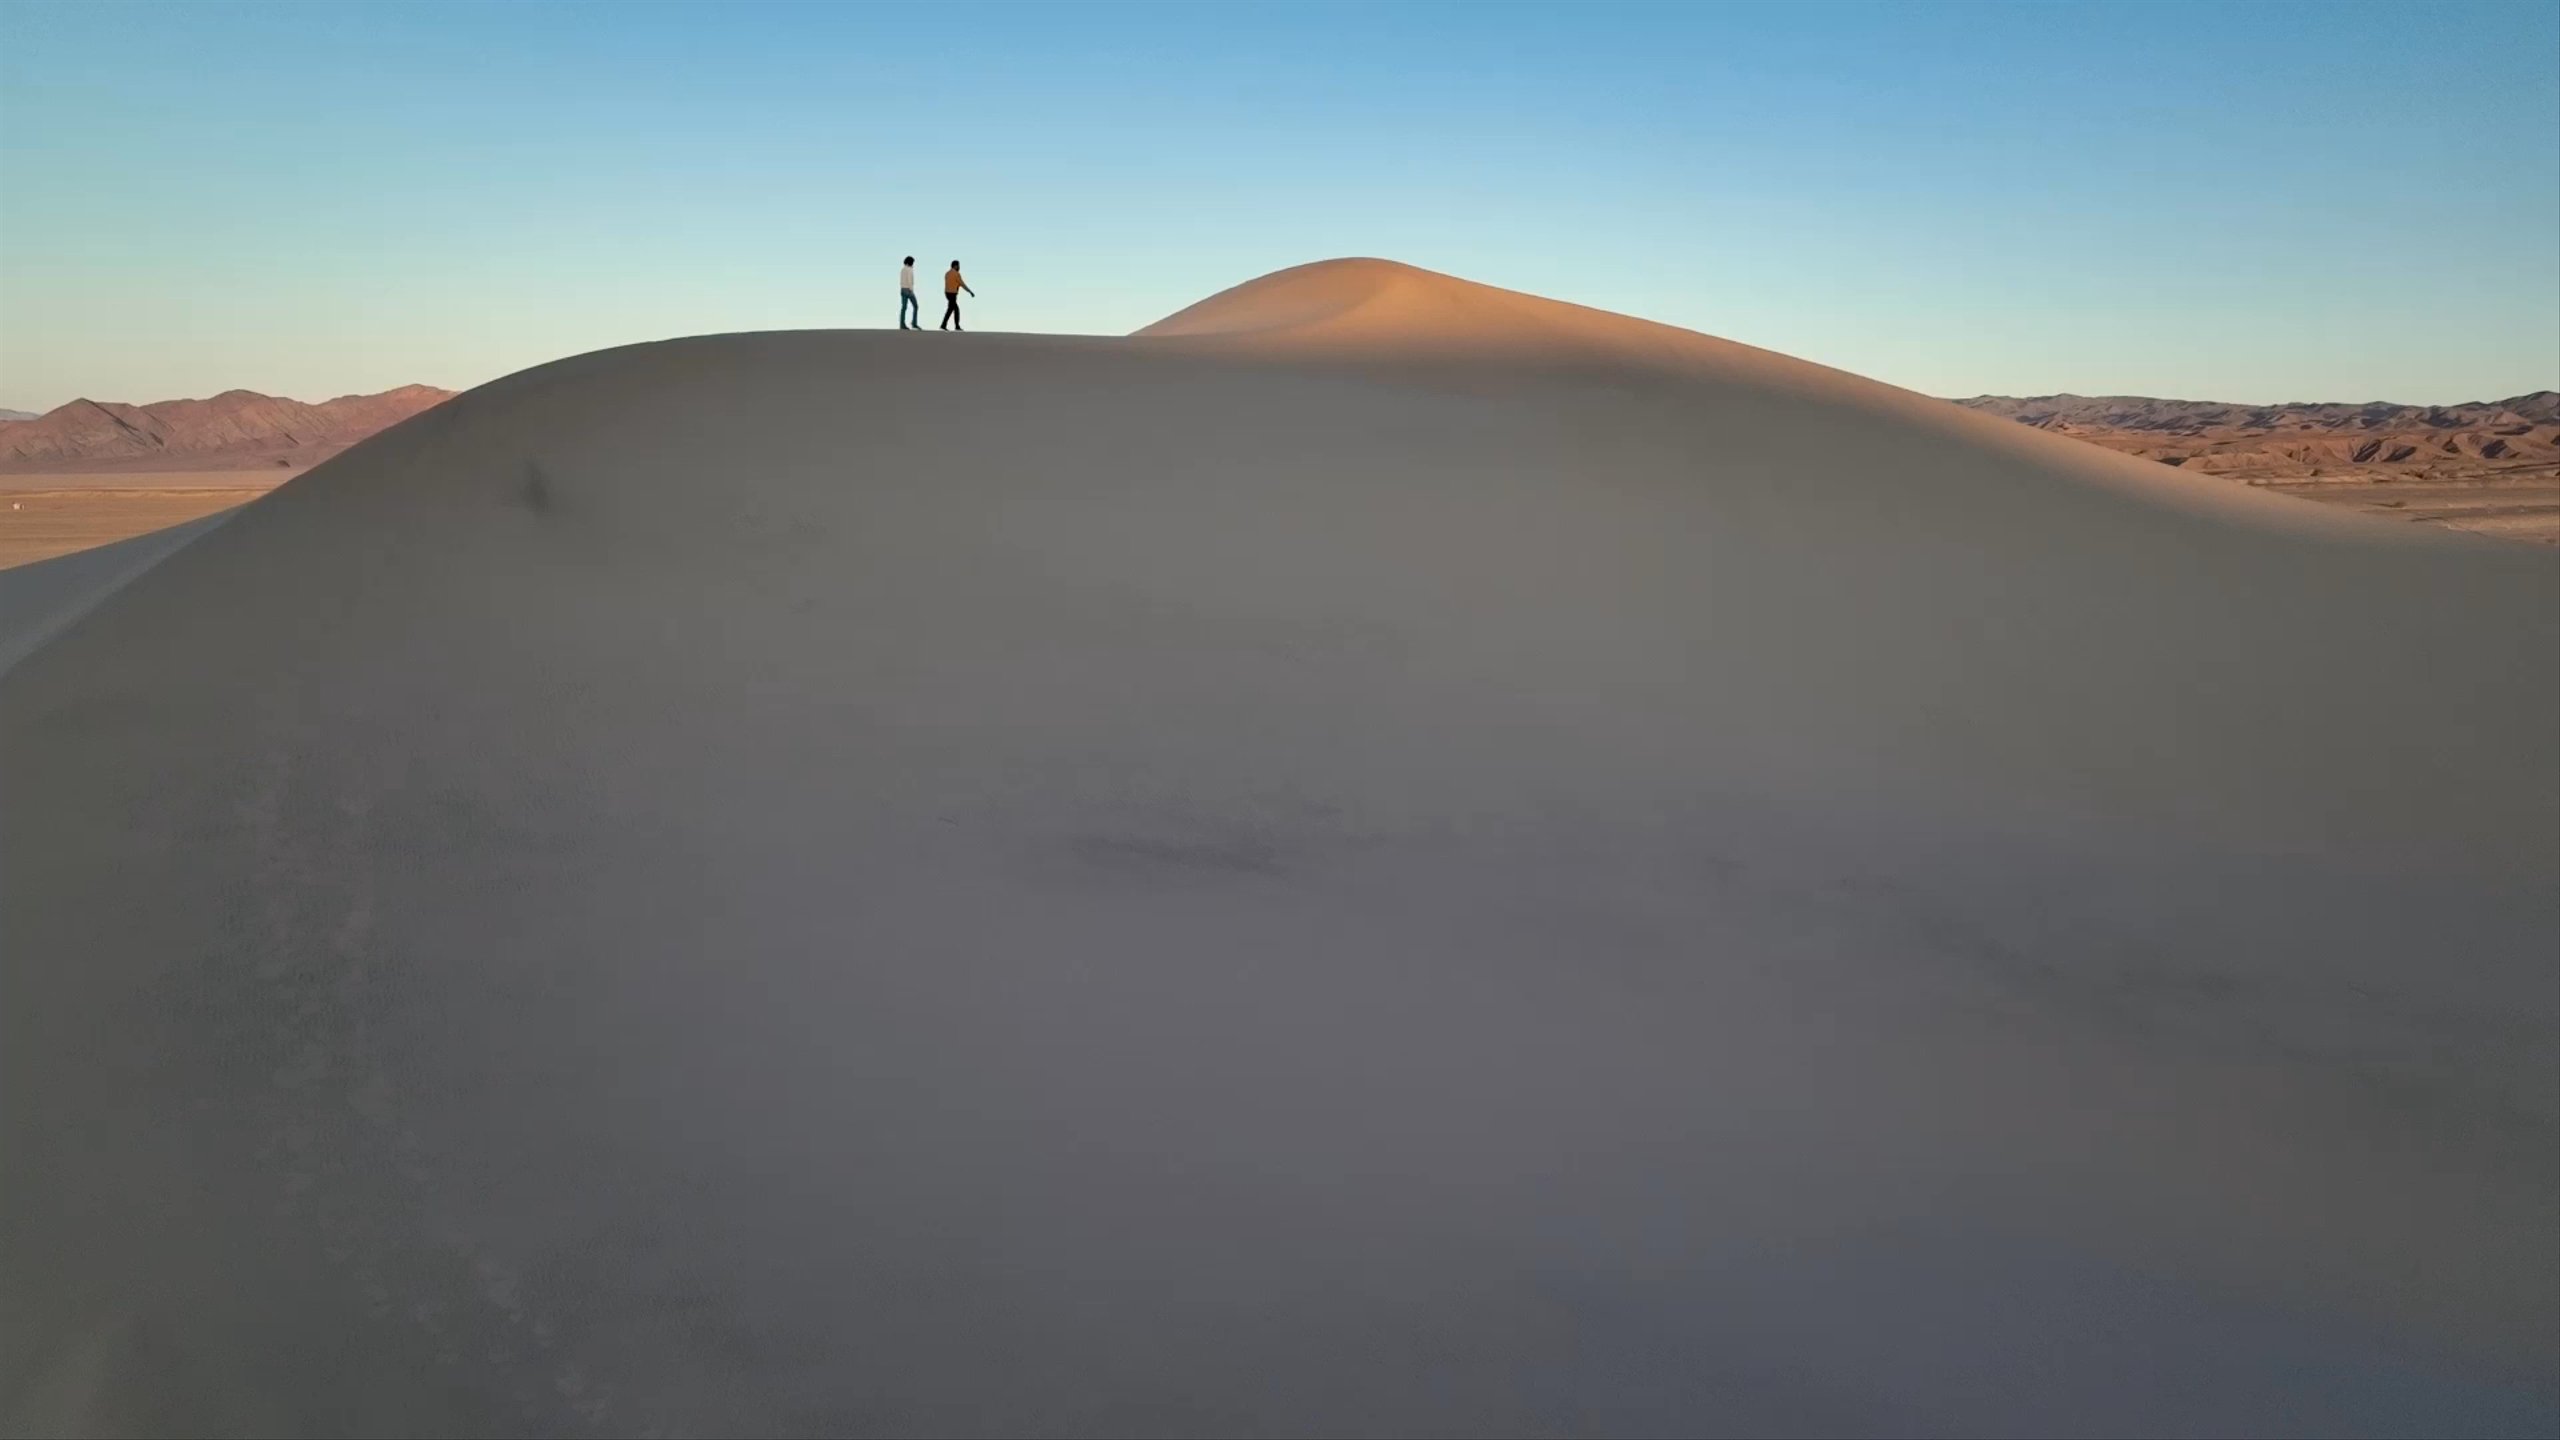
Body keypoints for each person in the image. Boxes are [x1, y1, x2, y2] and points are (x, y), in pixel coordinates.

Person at [940, 260, 976, 331]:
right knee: (955, 309)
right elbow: (962, 284)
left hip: (947, 293)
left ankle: (945, 325)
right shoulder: (956, 274)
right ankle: (955, 326)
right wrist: (970, 292)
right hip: (953, 294)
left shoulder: (947, 273)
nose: (959, 267)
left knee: (951, 309)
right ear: (955, 266)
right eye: (958, 266)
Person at [898, 256, 919, 330]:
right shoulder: (909, 269)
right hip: (908, 290)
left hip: (902, 289)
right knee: (916, 306)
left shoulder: (903, 269)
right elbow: (910, 280)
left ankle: (902, 324)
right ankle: (914, 323)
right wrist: (911, 290)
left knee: (904, 307)